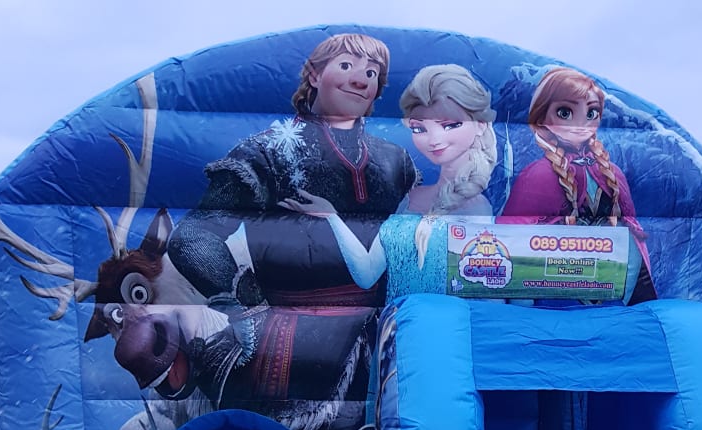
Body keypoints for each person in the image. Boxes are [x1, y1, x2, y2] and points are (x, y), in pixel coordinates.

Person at [168, 32, 417, 308]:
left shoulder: (396, 160)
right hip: (290, 324)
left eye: (371, 73)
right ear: (314, 76)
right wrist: (248, 303)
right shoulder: (264, 153)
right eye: (346, 65)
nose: (361, 80)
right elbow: (192, 237)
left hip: (389, 323)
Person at [280, 64, 497, 297]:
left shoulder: (478, 207)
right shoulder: (411, 198)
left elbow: (487, 291)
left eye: (450, 125)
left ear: (481, 125)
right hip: (400, 317)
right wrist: (331, 217)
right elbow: (367, 273)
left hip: (447, 318)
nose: (434, 140)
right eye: (419, 129)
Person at [500, 66, 656, 304]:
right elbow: (513, 240)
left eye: (591, 113)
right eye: (565, 112)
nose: (580, 123)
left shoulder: (612, 172)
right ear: (542, 118)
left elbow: (633, 239)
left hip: (608, 292)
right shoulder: (538, 175)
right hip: (552, 296)